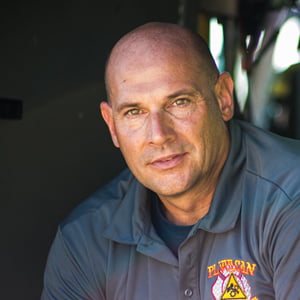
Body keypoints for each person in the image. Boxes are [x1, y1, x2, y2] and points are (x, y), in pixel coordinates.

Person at [41, 22, 300, 300]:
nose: (159, 135)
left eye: (179, 102)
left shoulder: (290, 198)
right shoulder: (84, 239)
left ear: (223, 98)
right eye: (134, 112)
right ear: (112, 125)